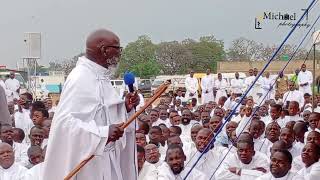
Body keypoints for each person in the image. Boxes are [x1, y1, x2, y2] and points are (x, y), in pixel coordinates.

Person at [43, 29, 140, 180]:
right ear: (104, 50)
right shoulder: (80, 78)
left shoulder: (102, 77)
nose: (120, 54)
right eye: (117, 49)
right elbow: (64, 124)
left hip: (108, 158)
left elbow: (105, 115)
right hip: (89, 166)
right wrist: (102, 133)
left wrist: (126, 108)